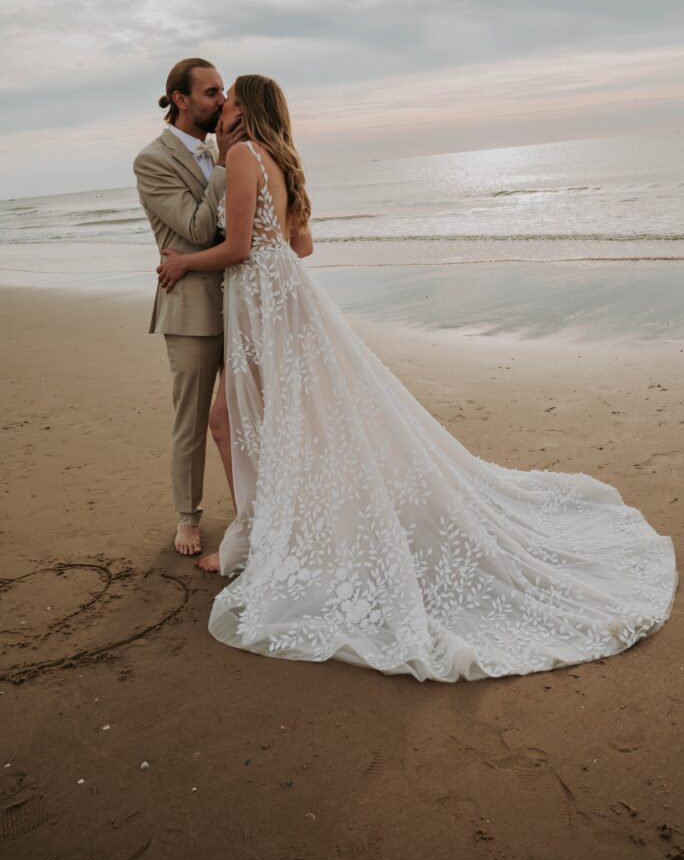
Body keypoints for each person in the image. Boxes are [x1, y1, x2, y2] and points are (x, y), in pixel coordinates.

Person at [156, 74, 677, 683]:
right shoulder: (278, 158)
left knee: (256, 423)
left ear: (246, 108)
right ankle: (265, 533)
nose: (223, 107)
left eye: (230, 98)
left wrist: (183, 261)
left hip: (262, 304)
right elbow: (301, 247)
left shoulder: (244, 155)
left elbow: (241, 247)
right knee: (283, 421)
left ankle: (270, 541)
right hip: (287, 299)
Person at [134, 58, 242, 557]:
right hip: (191, 310)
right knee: (193, 418)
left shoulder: (228, 151)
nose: (221, 101)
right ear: (181, 99)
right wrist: (223, 164)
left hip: (241, 298)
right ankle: (188, 517)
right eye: (211, 92)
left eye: (222, 91)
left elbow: (234, 228)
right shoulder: (152, 161)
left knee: (242, 414)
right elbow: (199, 230)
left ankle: (252, 509)